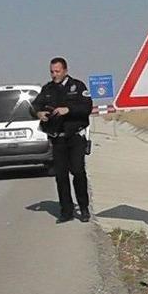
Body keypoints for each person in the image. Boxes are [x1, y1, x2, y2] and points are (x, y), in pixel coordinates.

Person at [32, 57, 92, 223]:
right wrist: (38, 113)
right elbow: (35, 106)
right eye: (52, 71)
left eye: (57, 71)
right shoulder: (47, 89)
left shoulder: (78, 86)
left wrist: (69, 110)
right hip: (57, 139)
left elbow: (86, 107)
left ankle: (84, 208)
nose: (54, 74)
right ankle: (66, 210)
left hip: (75, 137)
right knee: (61, 175)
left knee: (78, 172)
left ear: (65, 70)